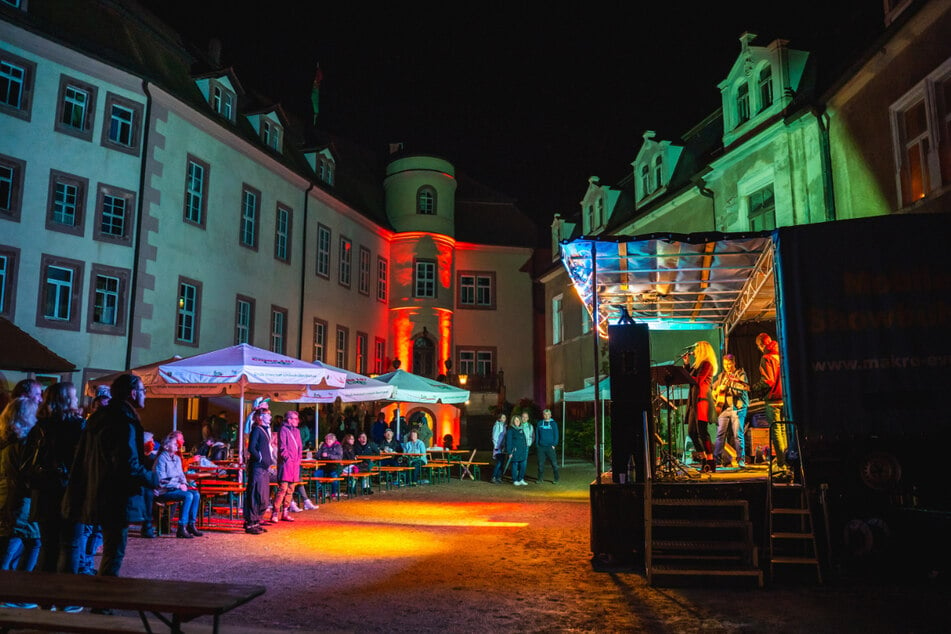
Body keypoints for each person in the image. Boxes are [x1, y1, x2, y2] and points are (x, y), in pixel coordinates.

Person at [62, 373, 158, 576]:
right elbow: (127, 463)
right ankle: (103, 603)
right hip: (116, 496)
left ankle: (99, 597)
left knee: (107, 547)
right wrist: (152, 479)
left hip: (98, 490)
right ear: (132, 393)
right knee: (114, 552)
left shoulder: (99, 418)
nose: (145, 396)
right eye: (143, 391)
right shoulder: (124, 421)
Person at [29, 382, 86, 573]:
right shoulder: (78, 425)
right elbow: (83, 460)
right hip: (69, 490)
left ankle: (45, 599)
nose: (77, 399)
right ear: (67, 399)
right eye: (74, 396)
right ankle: (65, 598)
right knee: (70, 545)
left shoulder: (38, 425)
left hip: (44, 491)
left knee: (48, 545)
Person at [0, 397, 41, 576]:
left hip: (7, 499)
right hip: (18, 502)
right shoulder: (23, 444)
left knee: (16, 542)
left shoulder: (6, 441)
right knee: (27, 541)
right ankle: (18, 591)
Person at [153, 432, 202, 539]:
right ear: (166, 446)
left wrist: (184, 483)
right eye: (174, 444)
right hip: (164, 491)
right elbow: (161, 480)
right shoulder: (161, 459)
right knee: (188, 495)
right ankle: (181, 526)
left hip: (175, 488)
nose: (177, 445)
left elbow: (181, 475)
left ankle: (191, 524)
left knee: (196, 494)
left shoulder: (177, 459)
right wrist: (178, 486)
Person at [755, 333, 789, 477]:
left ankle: (781, 464)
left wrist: (754, 388)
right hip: (785, 398)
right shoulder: (781, 354)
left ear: (761, 345)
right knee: (784, 431)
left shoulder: (767, 357)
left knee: (776, 431)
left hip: (773, 399)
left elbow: (768, 381)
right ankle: (786, 460)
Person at [274, 411, 316, 519]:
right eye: (295, 419)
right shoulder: (283, 430)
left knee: (291, 488)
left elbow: (299, 447)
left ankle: (285, 512)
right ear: (289, 419)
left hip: (295, 464)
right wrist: (288, 459)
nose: (297, 421)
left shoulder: (297, 431)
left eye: (297, 419)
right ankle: (275, 512)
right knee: (283, 488)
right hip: (286, 463)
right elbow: (283, 447)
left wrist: (298, 460)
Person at [685, 341, 718, 472]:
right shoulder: (697, 364)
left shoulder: (707, 364)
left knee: (702, 432)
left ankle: (710, 461)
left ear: (702, 350)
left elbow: (697, 380)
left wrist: (687, 373)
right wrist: (687, 363)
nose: (695, 351)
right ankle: (704, 458)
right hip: (694, 401)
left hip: (701, 400)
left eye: (697, 349)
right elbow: (690, 377)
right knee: (692, 433)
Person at [712, 353, 750, 468]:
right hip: (724, 408)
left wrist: (728, 387)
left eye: (729, 364)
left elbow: (740, 391)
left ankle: (741, 461)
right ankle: (716, 460)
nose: (727, 367)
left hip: (737, 408)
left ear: (734, 363)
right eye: (725, 364)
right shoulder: (722, 376)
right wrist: (717, 391)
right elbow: (714, 389)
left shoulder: (741, 374)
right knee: (720, 434)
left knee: (737, 435)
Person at [243, 405, 273, 535]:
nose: (270, 417)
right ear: (261, 417)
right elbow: (252, 448)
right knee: (256, 494)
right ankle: (250, 522)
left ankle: (257, 520)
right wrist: (260, 458)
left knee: (263, 496)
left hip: (264, 467)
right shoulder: (257, 429)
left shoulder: (266, 430)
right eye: (268, 414)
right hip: (258, 467)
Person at [535, 409, 560, 484]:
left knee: (554, 464)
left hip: (550, 447)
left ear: (550, 415)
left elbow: (556, 435)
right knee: (540, 464)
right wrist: (537, 445)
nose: (546, 416)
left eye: (548, 414)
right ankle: (540, 478)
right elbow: (537, 435)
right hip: (541, 447)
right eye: (545, 414)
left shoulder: (553, 424)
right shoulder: (539, 423)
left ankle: (556, 478)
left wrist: (554, 444)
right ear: (543, 415)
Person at [315, 433, 343, 499]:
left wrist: (328, 455)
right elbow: (317, 455)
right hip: (323, 467)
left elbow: (339, 457)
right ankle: (322, 491)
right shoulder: (323, 446)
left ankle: (333, 493)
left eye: (329, 440)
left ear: (333, 440)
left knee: (334, 477)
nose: (327, 441)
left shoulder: (338, 446)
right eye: (326, 440)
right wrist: (321, 455)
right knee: (316, 474)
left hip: (334, 467)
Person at [506, 415, 529, 486]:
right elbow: (508, 442)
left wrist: (525, 448)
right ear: (513, 421)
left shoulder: (521, 429)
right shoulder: (510, 430)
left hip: (522, 451)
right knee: (515, 465)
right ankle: (515, 480)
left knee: (523, 465)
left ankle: (521, 479)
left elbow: (524, 440)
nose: (517, 422)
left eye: (518, 420)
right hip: (515, 451)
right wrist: (509, 452)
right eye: (516, 420)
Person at [490, 414, 507, 484]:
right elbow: (494, 436)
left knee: (502, 462)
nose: (504, 418)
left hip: (503, 447)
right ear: (499, 419)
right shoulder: (497, 426)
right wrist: (496, 446)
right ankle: (493, 477)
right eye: (502, 417)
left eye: (505, 417)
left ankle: (499, 477)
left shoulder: (504, 426)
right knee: (499, 462)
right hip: (498, 447)